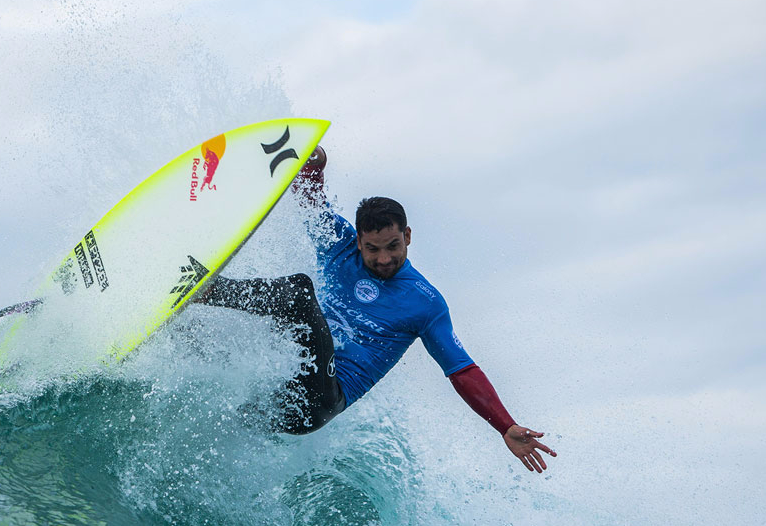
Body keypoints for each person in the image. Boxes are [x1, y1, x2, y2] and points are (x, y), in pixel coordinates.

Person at [196, 147, 556, 473]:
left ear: (408, 237)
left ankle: (204, 287)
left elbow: (461, 370)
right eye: (372, 249)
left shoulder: (424, 303)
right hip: (285, 376)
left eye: (393, 246)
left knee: (300, 294)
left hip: (318, 400)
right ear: (358, 240)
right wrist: (313, 165)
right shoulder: (338, 244)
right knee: (226, 386)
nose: (384, 259)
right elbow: (310, 199)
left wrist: (505, 425)